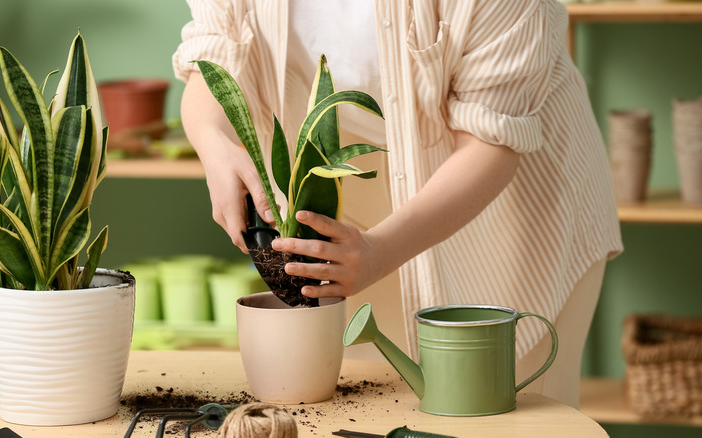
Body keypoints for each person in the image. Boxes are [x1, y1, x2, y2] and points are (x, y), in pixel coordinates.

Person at [173, 0, 623, 408]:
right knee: (377, 403)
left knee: (503, 409)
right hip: (355, 190)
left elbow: (492, 141)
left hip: (509, 205)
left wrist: (380, 252)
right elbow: (211, 50)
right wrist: (214, 143)